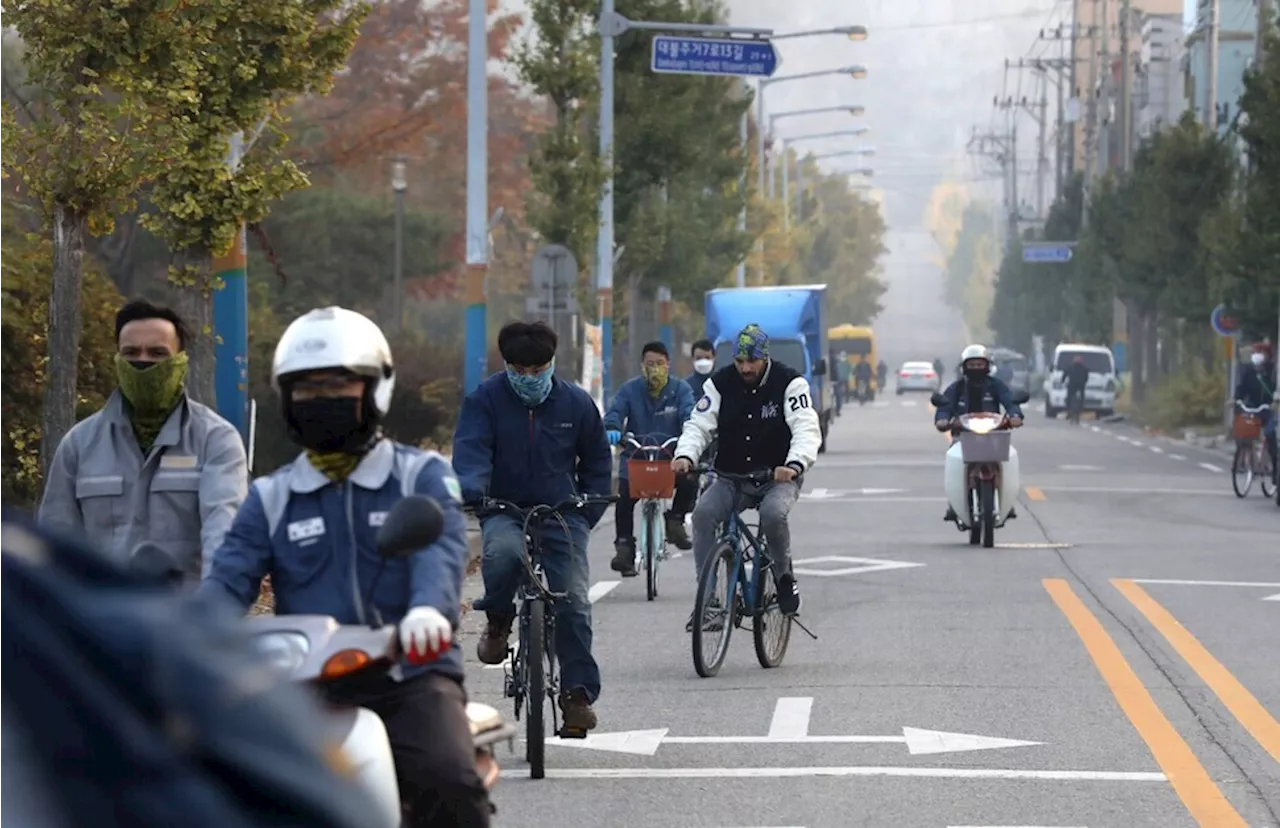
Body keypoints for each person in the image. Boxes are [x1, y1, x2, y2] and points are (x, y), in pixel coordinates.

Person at [199, 306, 489, 827]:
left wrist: (428, 611)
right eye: (306, 390)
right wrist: (183, 634)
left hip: (409, 674)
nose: (322, 401)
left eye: (338, 386)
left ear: (374, 389)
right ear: (287, 400)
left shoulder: (421, 475)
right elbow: (227, 580)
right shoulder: (271, 496)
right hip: (306, 684)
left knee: (449, 780)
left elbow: (440, 549)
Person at [0, 510, 388, 828]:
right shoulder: (81, 443)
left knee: (442, 760)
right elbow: (235, 562)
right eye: (305, 407)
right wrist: (210, 612)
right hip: (141, 624)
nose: (319, 412)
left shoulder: (214, 440)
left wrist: (427, 608)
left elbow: (222, 523)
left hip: (166, 630)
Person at [451, 321, 611, 733]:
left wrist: (588, 509)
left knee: (573, 598)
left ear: (551, 364)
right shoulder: (485, 400)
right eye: (519, 370)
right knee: (502, 554)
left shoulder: (575, 403)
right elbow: (471, 450)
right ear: (506, 366)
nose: (528, 379)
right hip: (502, 507)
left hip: (562, 510)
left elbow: (596, 462)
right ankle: (499, 619)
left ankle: (576, 695)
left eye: (537, 371)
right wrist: (473, 490)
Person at [38, 299, 248, 583]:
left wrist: (213, 612)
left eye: (158, 353)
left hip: (186, 619)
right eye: (131, 352)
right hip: (100, 619)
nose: (143, 362)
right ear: (117, 359)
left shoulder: (215, 439)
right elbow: (55, 545)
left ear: (181, 360)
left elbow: (224, 535)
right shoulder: (79, 444)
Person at [671, 323, 822, 627]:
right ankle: (709, 600)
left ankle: (784, 577)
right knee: (702, 515)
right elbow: (699, 424)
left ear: (764, 357)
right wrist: (685, 454)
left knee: (772, 514)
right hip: (731, 476)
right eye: (739, 361)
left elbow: (806, 428)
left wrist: (794, 464)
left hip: (777, 476)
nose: (745, 368)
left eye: (751, 361)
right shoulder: (720, 383)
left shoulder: (790, 383)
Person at [604, 341, 696, 572]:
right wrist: (613, 428)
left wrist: (689, 432)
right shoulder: (629, 390)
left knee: (690, 479)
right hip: (636, 457)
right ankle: (624, 547)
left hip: (670, 459)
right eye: (649, 364)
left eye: (659, 364)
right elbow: (615, 412)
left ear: (668, 365)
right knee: (624, 497)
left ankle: (675, 519)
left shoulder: (681, 390)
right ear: (641, 366)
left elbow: (690, 415)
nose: (654, 368)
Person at [933, 344, 1024, 522]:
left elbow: (1010, 401)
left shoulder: (996, 386)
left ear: (987, 366)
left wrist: (1015, 415)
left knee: (1006, 459)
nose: (976, 368)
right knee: (954, 459)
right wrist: (942, 419)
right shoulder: (956, 388)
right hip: (962, 437)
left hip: (993, 436)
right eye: (972, 365)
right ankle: (954, 503)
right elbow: (944, 406)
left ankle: (1006, 500)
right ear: (964, 367)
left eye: (979, 364)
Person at [1236, 345, 1277, 464]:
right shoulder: (1248, 370)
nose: (1257, 355)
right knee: (1244, 431)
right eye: (1255, 352)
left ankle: (1275, 472)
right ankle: (1245, 461)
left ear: (1267, 355)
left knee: (1270, 435)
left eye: (1261, 352)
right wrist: (1236, 399)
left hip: (1267, 408)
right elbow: (1241, 388)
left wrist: (1275, 401)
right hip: (1252, 407)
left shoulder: (1272, 371)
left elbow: (1275, 388)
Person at [1065, 355, 1090, 421]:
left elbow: (1065, 375)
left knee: (1069, 397)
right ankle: (1081, 408)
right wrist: (1084, 382)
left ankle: (1069, 411)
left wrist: (1062, 381)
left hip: (1072, 385)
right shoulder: (1084, 368)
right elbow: (1086, 378)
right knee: (1082, 397)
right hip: (1081, 385)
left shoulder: (1070, 367)